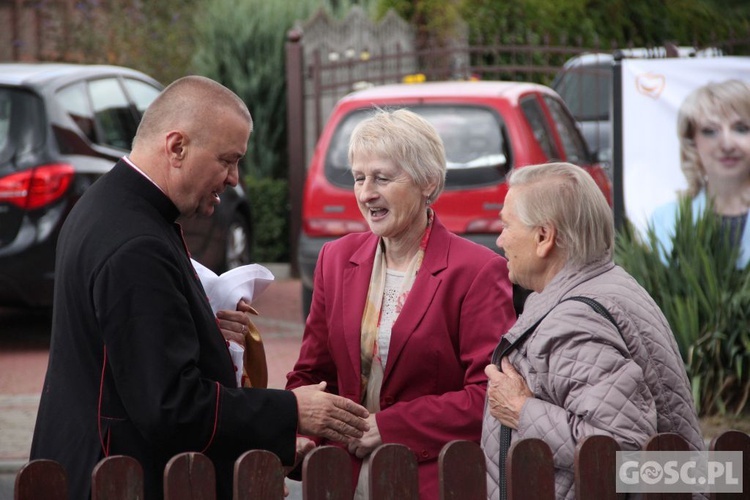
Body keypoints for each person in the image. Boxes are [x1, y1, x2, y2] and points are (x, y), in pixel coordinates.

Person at [30, 75, 369, 500]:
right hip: (116, 479)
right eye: (228, 160)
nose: (233, 178)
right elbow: (171, 407)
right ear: (177, 147)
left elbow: (127, 350)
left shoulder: (112, 205)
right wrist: (293, 411)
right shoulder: (137, 244)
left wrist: (200, 329)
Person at [285, 108, 516, 499]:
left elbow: (488, 395)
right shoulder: (335, 259)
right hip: (338, 478)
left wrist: (394, 427)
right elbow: (311, 374)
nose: (366, 193)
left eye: (382, 178)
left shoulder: (477, 271)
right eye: (359, 178)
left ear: (427, 182)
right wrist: (297, 433)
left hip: (429, 480)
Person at [481, 162, 703, 500]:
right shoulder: (608, 284)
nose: (500, 239)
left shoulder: (575, 321)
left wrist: (521, 410)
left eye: (507, 225)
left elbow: (625, 450)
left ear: (544, 236)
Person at [650, 79, 750, 267]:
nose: (727, 144)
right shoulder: (666, 221)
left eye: (741, 129)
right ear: (692, 141)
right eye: (710, 131)